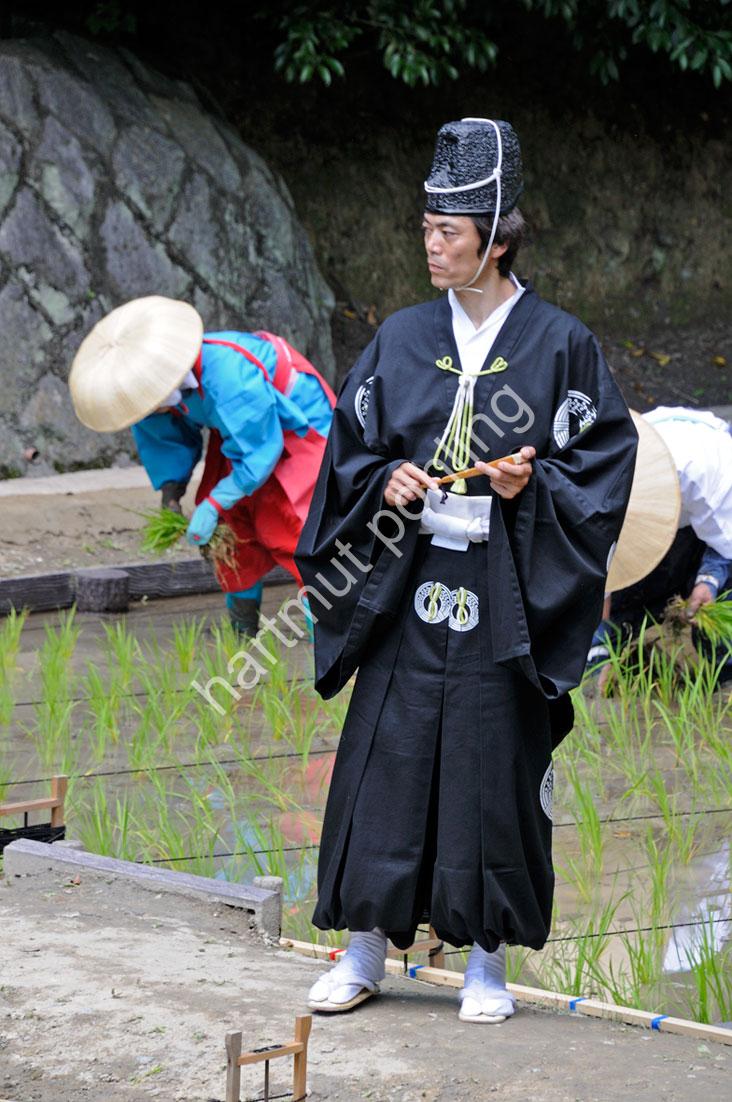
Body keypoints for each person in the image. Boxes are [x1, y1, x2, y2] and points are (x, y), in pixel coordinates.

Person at [295, 118, 638, 1023]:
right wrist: (388, 481)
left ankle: (486, 965)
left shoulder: (561, 344)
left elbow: (602, 467)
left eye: (448, 231)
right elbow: (349, 453)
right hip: (410, 583)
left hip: (502, 588)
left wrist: (530, 486)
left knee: (492, 766)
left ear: (496, 237)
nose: (431, 244)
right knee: (385, 760)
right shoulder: (403, 338)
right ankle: (364, 950)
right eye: (426, 228)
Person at [69, 296, 335, 635]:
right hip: (238, 433)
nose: (146, 414)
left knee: (299, 527)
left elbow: (261, 452)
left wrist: (213, 502)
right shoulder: (153, 399)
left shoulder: (228, 377)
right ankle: (242, 635)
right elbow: (163, 438)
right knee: (231, 530)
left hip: (298, 424)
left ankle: (328, 644)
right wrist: (172, 492)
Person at [588, 406, 732, 681]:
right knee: (622, 609)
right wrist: (601, 611)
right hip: (660, 510)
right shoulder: (599, 477)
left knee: (718, 632)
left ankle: (718, 675)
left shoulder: (705, 471)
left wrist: (709, 580)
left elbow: (727, 541)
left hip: (716, 498)